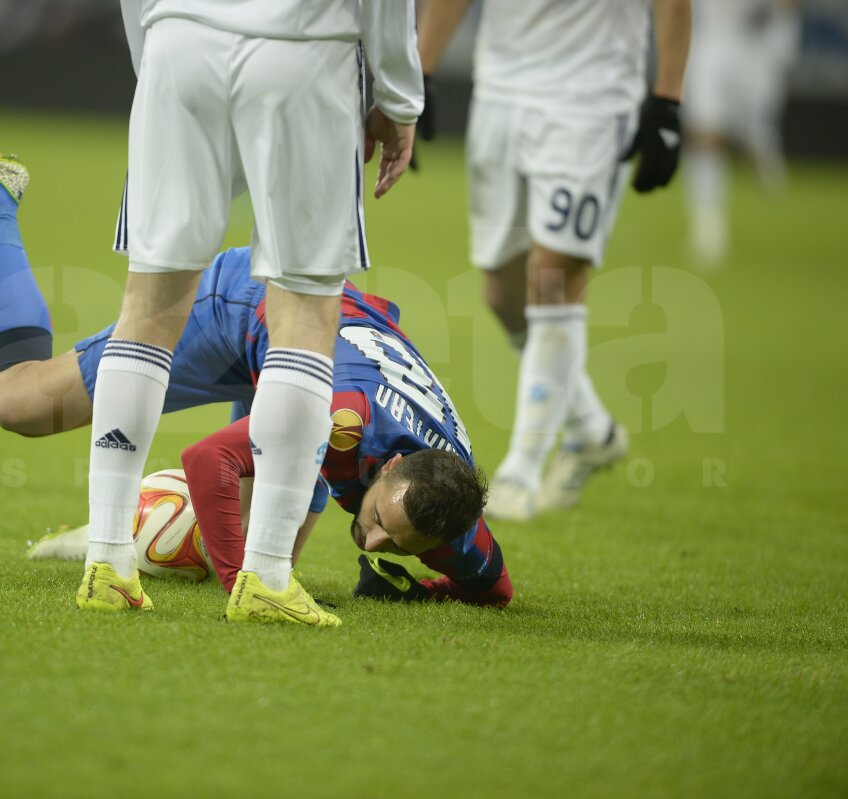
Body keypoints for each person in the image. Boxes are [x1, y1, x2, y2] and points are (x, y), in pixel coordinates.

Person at [0, 152, 511, 615]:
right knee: (19, 401)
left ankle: (137, 531)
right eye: (376, 518)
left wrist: (419, 586)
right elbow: (207, 457)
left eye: (394, 544)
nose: (371, 539)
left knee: (278, 538)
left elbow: (494, 589)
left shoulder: (451, 509)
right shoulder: (340, 419)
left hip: (310, 340)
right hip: (242, 308)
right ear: (395, 464)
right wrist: (247, 582)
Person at [82, 0, 423, 626]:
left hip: (176, 40)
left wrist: (157, 52)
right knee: (304, 313)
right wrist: (400, 99)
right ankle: (267, 575)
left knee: (148, 305)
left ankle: (106, 560)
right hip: (302, 47)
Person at [417, 0, 691, 521]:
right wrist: (422, 67)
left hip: (590, 97)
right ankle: (592, 429)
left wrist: (667, 102)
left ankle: (520, 472)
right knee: (502, 294)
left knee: (555, 276)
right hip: (500, 89)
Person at [684, 0, 801, 266]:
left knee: (755, 136)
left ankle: (761, 151)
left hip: (754, 46)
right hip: (709, 38)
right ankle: (707, 221)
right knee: (705, 130)